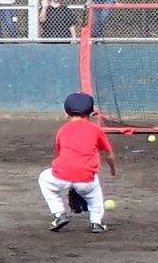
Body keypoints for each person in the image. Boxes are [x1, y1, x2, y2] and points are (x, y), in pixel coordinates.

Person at [38, 91, 116, 234]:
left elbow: (63, 156)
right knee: (95, 196)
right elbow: (109, 154)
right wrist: (112, 169)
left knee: (44, 179)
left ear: (66, 113)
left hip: (60, 175)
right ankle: (96, 223)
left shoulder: (62, 130)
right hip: (86, 180)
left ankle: (59, 214)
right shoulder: (96, 130)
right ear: (92, 113)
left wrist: (71, 186)